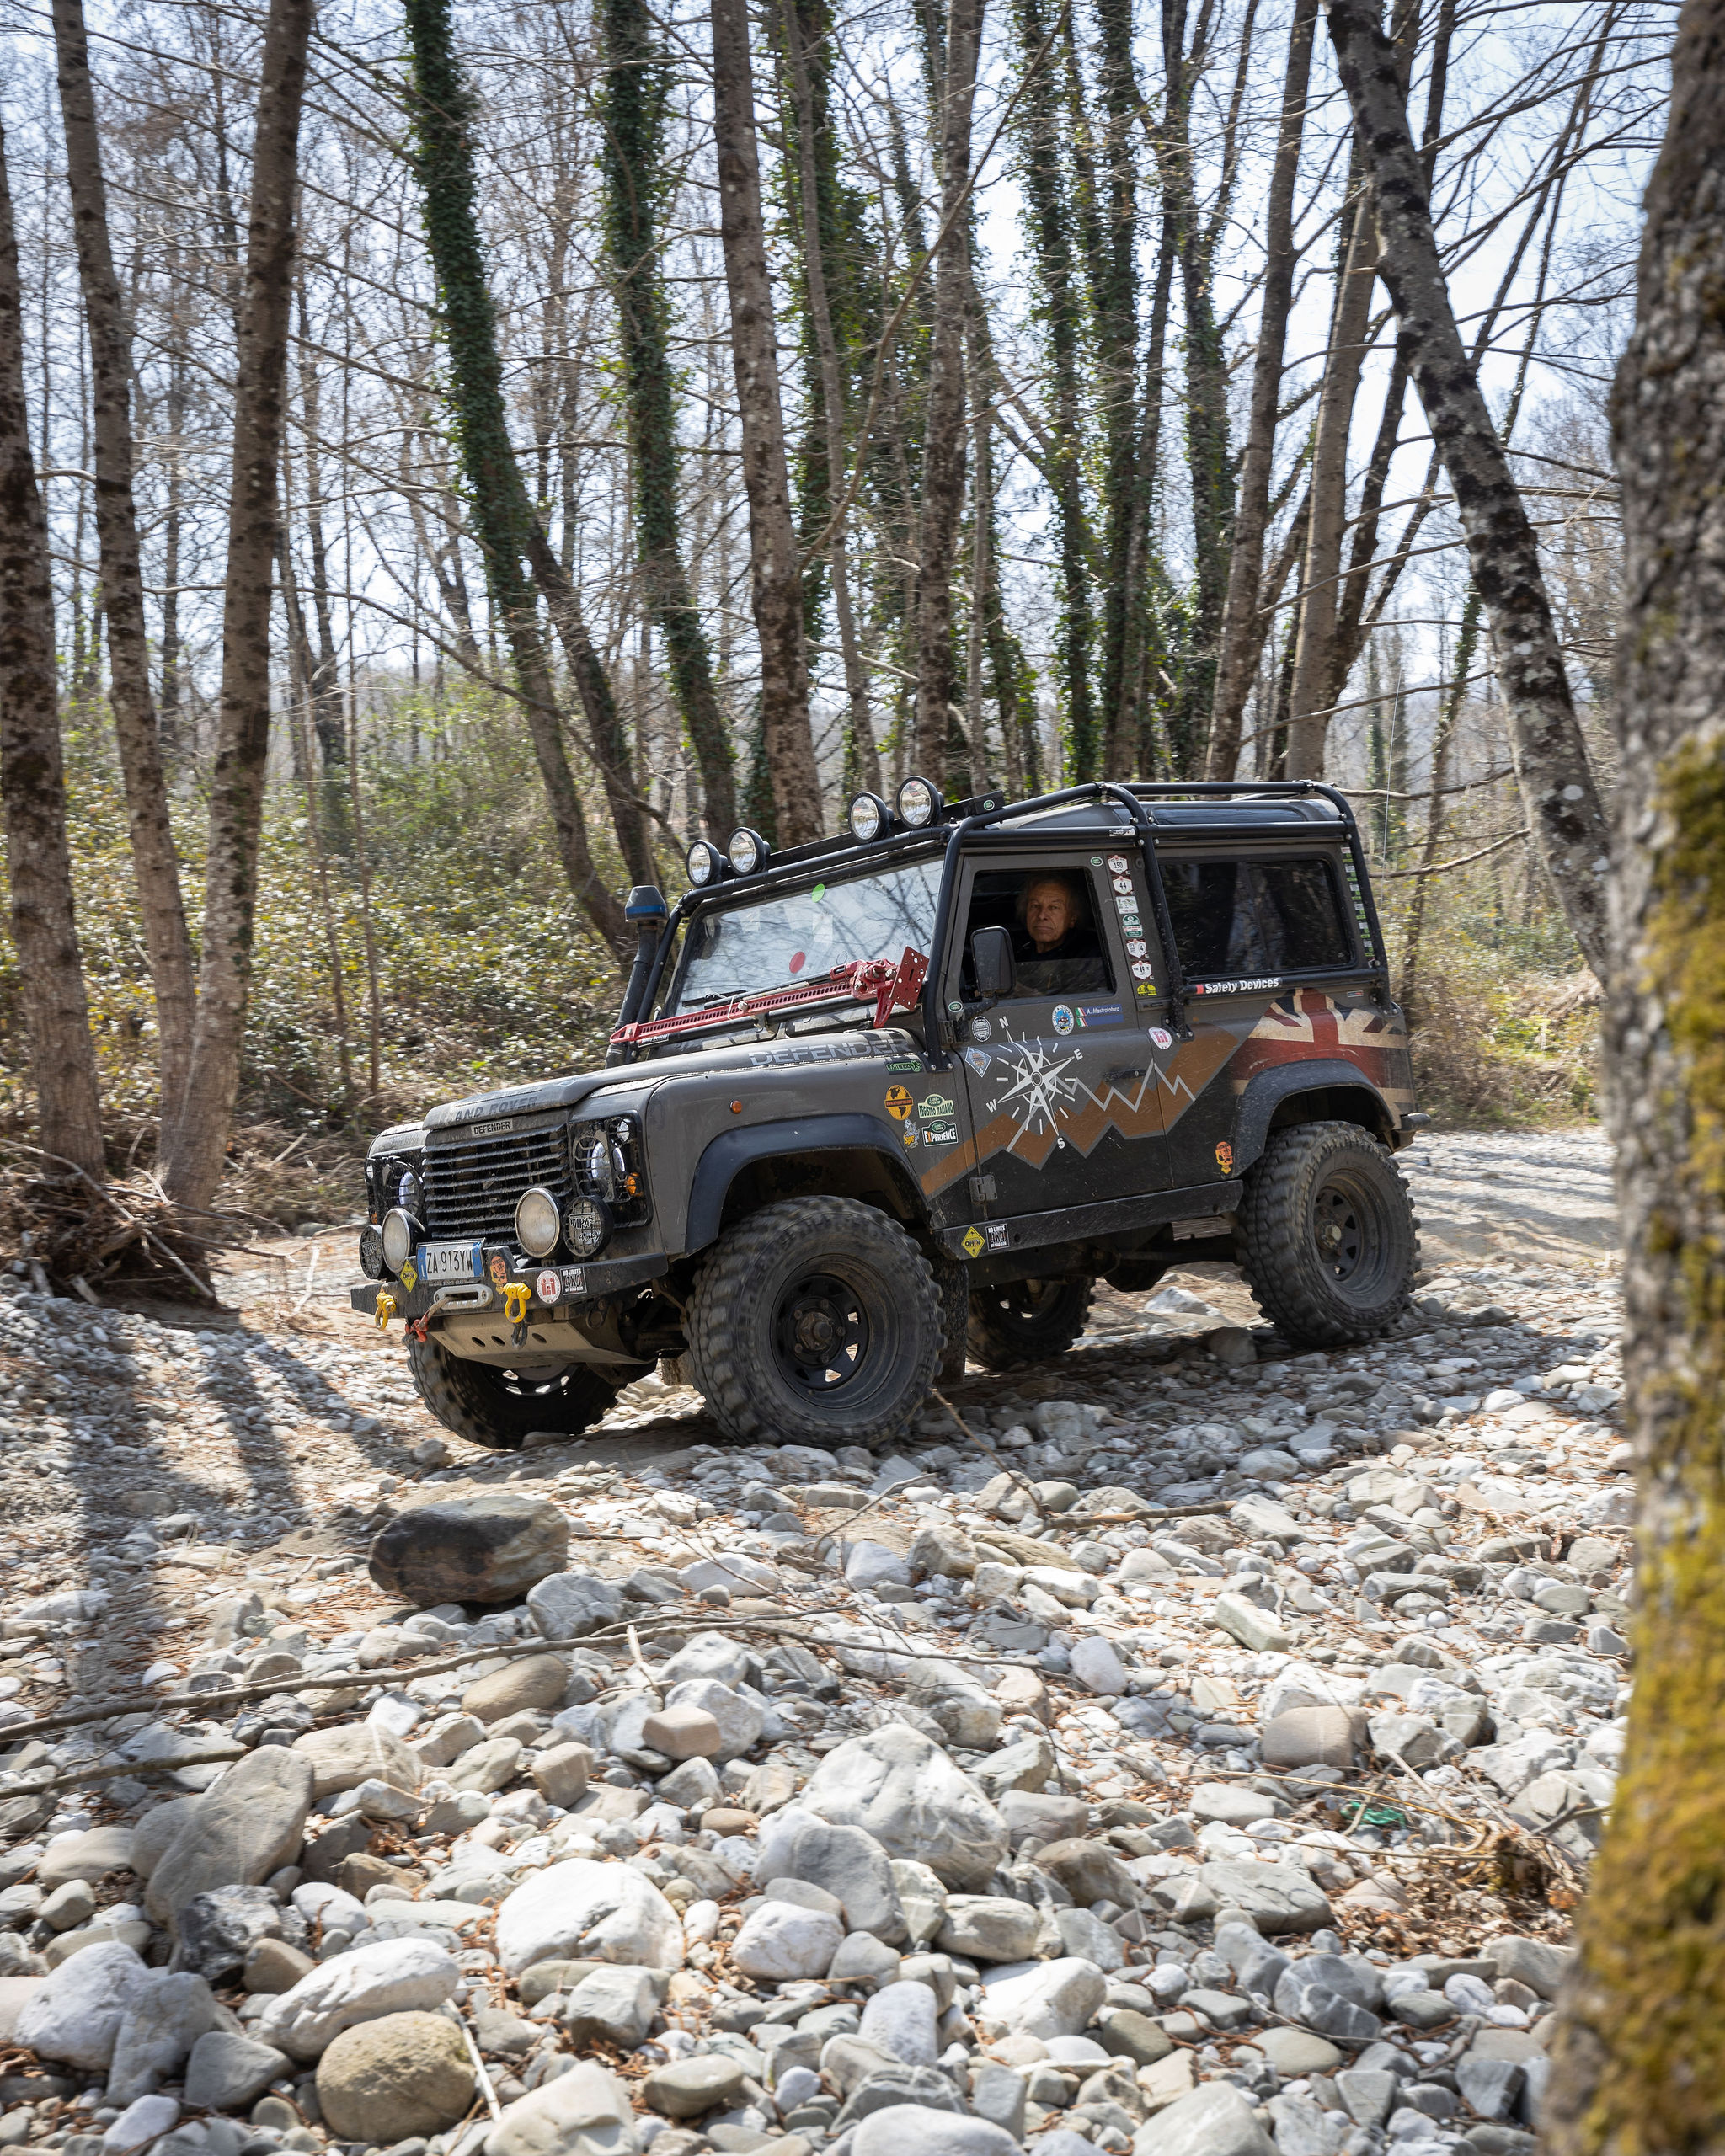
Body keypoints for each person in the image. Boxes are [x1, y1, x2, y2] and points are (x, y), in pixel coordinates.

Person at [1012, 873, 1107, 995]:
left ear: (1072, 918)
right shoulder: (1016, 948)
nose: (1041, 916)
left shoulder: (1089, 958)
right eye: (1035, 906)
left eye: (1054, 907)